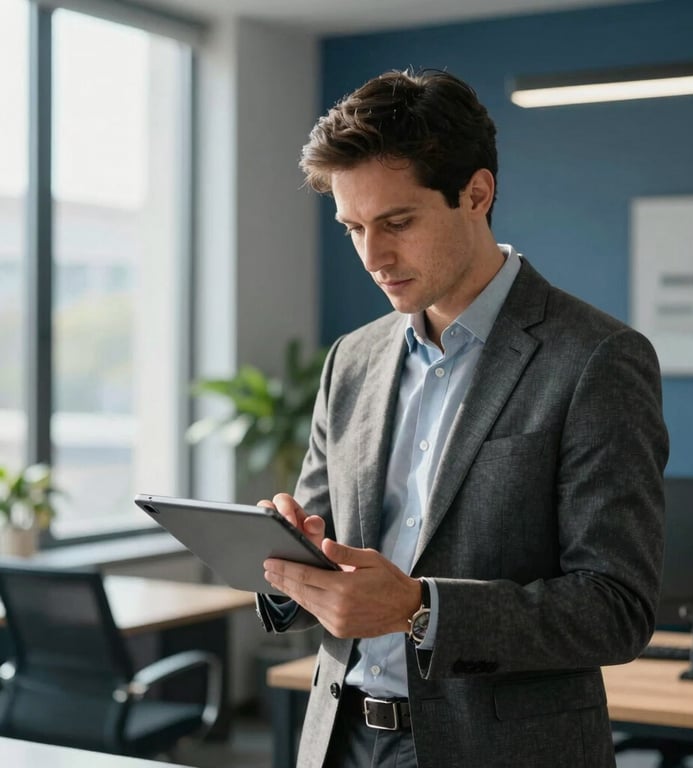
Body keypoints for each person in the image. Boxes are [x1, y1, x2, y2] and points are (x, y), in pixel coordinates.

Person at [256, 68, 669, 768]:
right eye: (353, 227)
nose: (372, 256)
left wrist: (420, 608)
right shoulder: (350, 361)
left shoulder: (597, 359)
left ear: (477, 194)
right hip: (342, 742)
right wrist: (288, 560)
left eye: (397, 223)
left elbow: (616, 608)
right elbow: (325, 550)